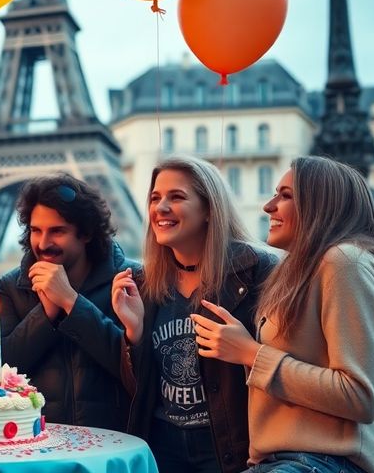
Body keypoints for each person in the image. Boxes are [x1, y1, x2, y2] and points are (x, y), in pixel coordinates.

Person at [192, 156, 374, 473]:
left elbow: (360, 396)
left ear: (322, 205)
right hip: (292, 460)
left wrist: (252, 354)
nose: (269, 206)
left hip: (326, 460)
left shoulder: (344, 262)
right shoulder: (301, 270)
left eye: (285, 195)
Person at [111, 156, 278, 473]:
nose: (160, 208)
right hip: (163, 446)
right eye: (155, 198)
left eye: (176, 197)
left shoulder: (255, 271)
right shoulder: (145, 284)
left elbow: (297, 348)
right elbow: (139, 387)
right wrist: (134, 332)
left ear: (209, 209)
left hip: (229, 445)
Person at [0, 173, 139, 430]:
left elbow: (137, 372)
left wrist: (71, 301)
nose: (43, 243)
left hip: (113, 441)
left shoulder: (133, 281)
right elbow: (1, 373)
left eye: (57, 231)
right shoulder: (11, 287)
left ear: (85, 234)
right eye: (36, 230)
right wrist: (45, 313)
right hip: (38, 444)